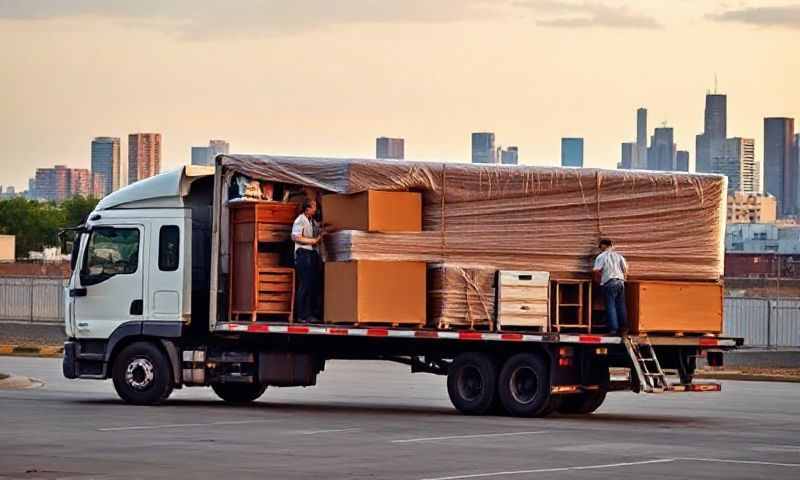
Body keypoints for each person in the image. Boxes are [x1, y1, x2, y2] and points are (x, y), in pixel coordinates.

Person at [292, 198, 324, 323]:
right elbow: (295, 236)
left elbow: (318, 229)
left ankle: (310, 314)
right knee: (304, 285)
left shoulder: (312, 221)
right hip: (303, 254)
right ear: (307, 209)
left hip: (311, 254)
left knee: (311, 284)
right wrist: (314, 241)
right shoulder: (300, 220)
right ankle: (301, 315)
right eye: (314, 207)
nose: (316, 209)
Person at [593, 238, 629, 335]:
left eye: (600, 247)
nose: (600, 249)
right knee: (621, 305)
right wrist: (623, 280)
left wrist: (599, 282)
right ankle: (624, 329)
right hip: (620, 282)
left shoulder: (601, 256)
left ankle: (613, 329)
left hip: (609, 282)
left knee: (610, 306)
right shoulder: (619, 256)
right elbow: (626, 270)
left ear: (604, 246)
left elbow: (596, 271)